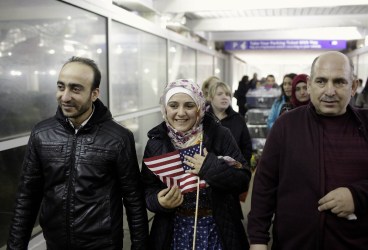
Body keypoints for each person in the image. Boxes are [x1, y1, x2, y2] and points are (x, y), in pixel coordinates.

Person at [7, 57, 149, 249]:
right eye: (61, 87)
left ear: (94, 93)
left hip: (103, 244)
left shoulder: (118, 138)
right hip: (55, 243)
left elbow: (134, 199)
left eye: (75, 89)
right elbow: (27, 197)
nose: (65, 97)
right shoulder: (42, 134)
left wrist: (140, 246)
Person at [247, 51, 368, 250]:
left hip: (358, 242)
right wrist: (258, 240)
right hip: (294, 244)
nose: (329, 91)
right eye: (321, 81)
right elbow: (264, 185)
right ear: (309, 85)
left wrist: (358, 196)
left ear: (353, 86)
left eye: (339, 82)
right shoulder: (286, 126)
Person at [141, 79, 251, 250]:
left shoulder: (220, 134)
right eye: (173, 105)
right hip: (173, 229)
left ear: (199, 107)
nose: (181, 113)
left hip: (217, 227)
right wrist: (158, 202)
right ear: (165, 108)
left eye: (189, 106)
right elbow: (146, 189)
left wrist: (210, 167)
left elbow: (243, 179)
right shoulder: (156, 142)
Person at [207, 80, 253, 209]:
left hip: (230, 176)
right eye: (220, 94)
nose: (225, 97)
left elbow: (246, 147)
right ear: (210, 97)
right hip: (206, 175)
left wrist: (242, 169)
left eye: (227, 94)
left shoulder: (238, 119)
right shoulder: (202, 119)